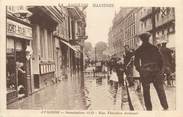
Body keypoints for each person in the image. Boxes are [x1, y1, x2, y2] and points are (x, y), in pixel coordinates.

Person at [134, 32, 168, 110]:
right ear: (148, 38)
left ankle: (149, 109)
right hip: (156, 71)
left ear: (142, 39)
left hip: (145, 72)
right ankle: (165, 106)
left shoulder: (139, 50)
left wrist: (140, 70)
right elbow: (161, 60)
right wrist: (160, 70)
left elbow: (136, 63)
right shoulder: (154, 48)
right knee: (160, 89)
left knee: (146, 92)